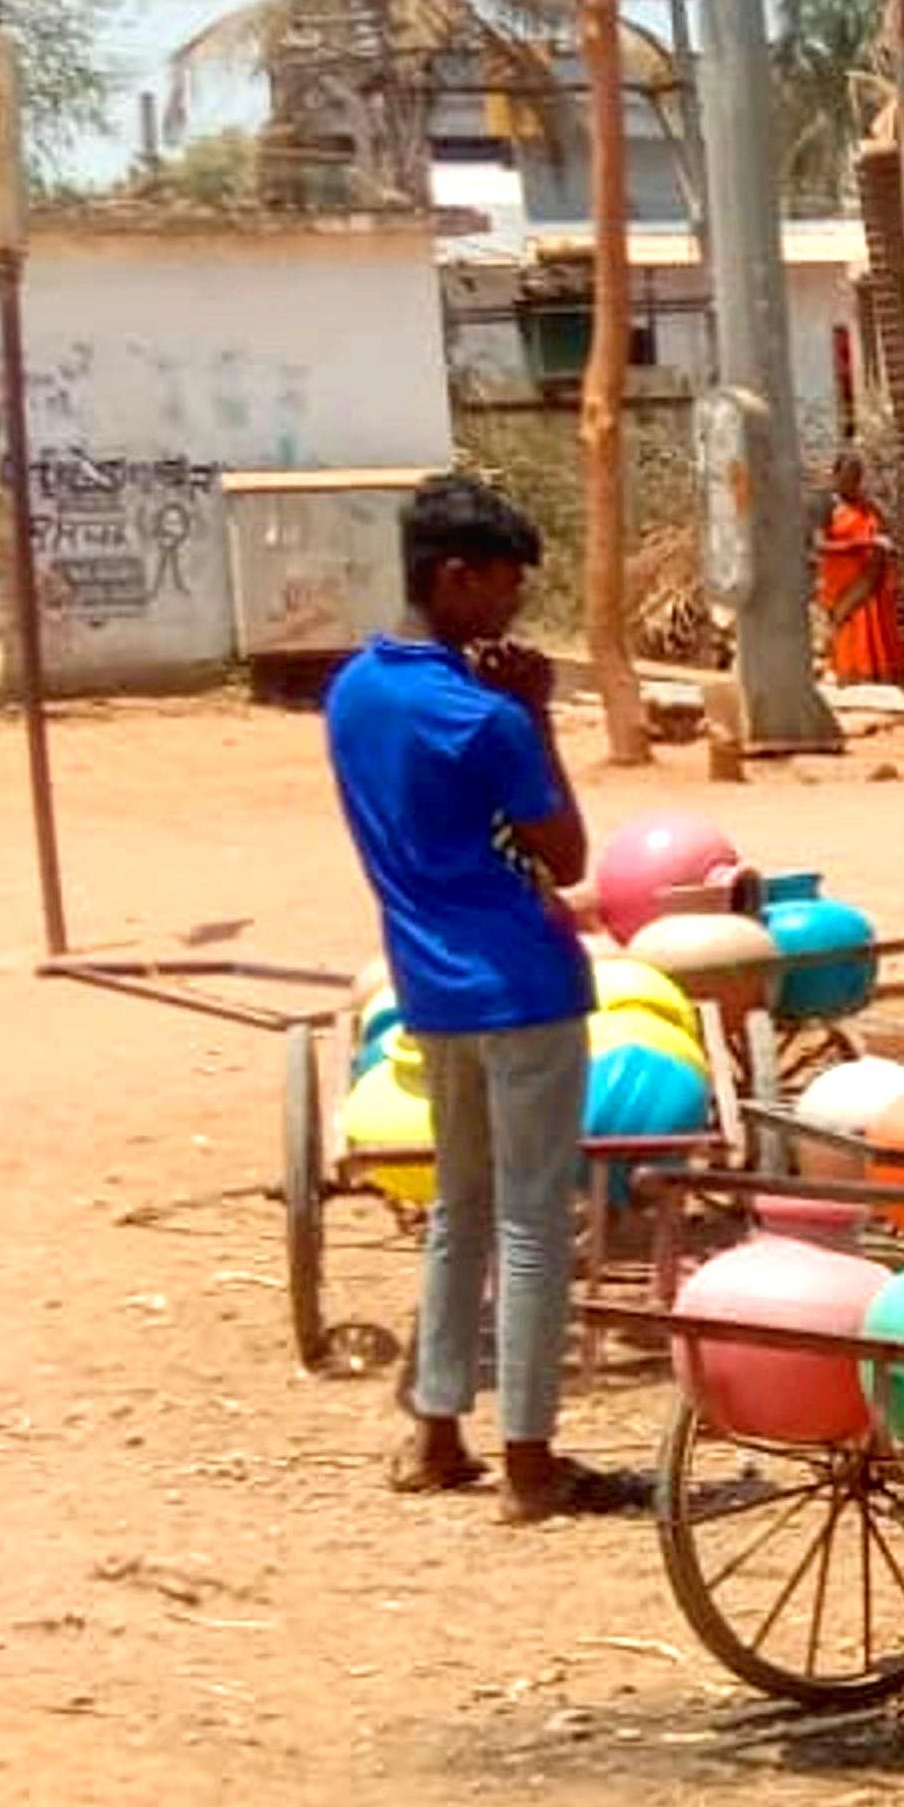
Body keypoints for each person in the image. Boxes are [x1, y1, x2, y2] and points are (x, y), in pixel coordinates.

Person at [325, 472, 621, 1523]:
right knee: (537, 1223)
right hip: (523, 984)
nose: (510, 611)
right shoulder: (482, 714)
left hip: (428, 986)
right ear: (454, 579)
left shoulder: (354, 690)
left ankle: (436, 1431)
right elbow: (566, 850)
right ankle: (534, 1461)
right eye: (501, 587)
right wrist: (533, 715)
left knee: (460, 1206)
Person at [814, 448, 904, 687]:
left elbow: (887, 529)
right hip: (846, 588)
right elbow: (820, 544)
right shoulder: (826, 505)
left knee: (877, 635)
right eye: (848, 477)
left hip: (872, 581)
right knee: (852, 635)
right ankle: (852, 683)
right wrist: (865, 543)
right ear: (836, 476)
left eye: (857, 477)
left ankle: (884, 684)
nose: (853, 482)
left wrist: (874, 507)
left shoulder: (867, 506)